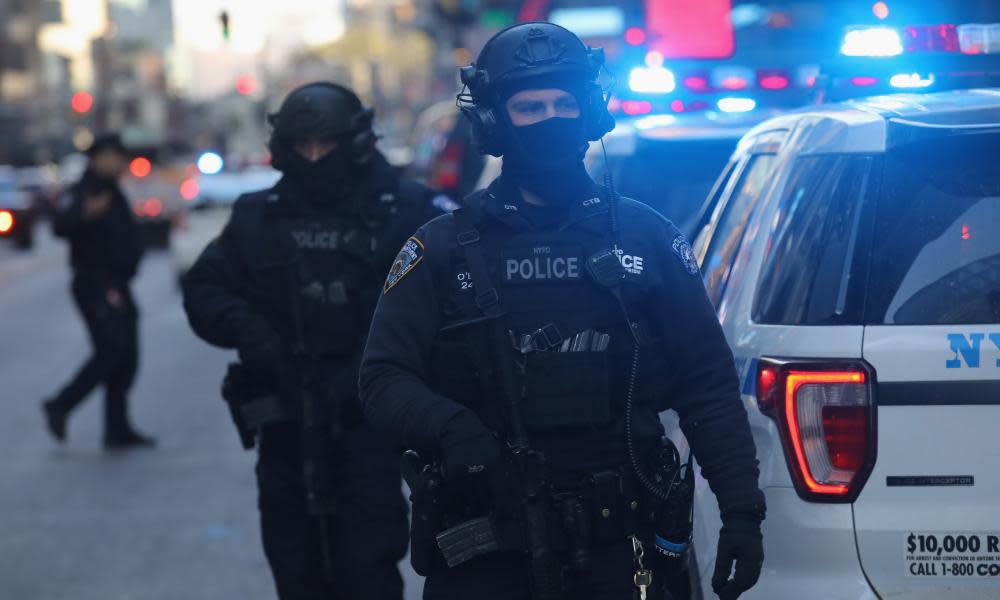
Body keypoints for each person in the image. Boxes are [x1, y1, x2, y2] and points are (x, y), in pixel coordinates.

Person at [360, 23, 766, 600]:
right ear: (494, 122)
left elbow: (707, 383)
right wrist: (455, 432)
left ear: (591, 113)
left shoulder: (647, 239)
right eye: (529, 106)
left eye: (563, 103)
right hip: (488, 547)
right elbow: (381, 379)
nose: (550, 119)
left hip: (623, 548)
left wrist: (742, 513)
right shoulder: (442, 249)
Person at [183, 82, 439, 600]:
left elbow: (452, 303)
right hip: (287, 417)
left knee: (366, 567)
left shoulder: (407, 208)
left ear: (358, 142)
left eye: (327, 145)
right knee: (295, 569)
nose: (316, 158)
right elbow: (205, 289)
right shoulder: (258, 216)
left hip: (368, 421)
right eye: (305, 147)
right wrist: (254, 335)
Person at [44, 133, 153, 448]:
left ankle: (117, 428)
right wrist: (83, 213)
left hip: (117, 283)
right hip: (95, 283)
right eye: (112, 156)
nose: (118, 162)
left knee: (126, 355)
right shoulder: (83, 191)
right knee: (111, 350)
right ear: (97, 158)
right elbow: (60, 225)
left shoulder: (112, 190)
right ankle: (61, 404)